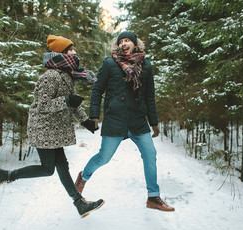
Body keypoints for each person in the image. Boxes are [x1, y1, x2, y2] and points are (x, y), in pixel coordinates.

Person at [0, 35, 104, 218]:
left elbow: (73, 104)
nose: (75, 52)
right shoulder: (50, 76)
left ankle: (79, 203)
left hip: (53, 130)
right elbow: (42, 105)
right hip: (43, 128)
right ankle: (5, 176)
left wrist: (85, 121)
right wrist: (65, 100)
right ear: (62, 53)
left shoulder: (66, 76)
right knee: (48, 169)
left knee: (62, 166)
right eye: (71, 49)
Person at [74, 31, 174, 212]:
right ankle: (83, 177)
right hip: (115, 120)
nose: (124, 44)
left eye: (127, 40)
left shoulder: (146, 66)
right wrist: (94, 115)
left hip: (137, 121)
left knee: (150, 154)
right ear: (118, 46)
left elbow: (149, 96)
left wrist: (154, 122)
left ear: (135, 44)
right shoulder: (110, 64)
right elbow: (97, 90)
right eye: (121, 41)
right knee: (103, 158)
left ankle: (153, 197)